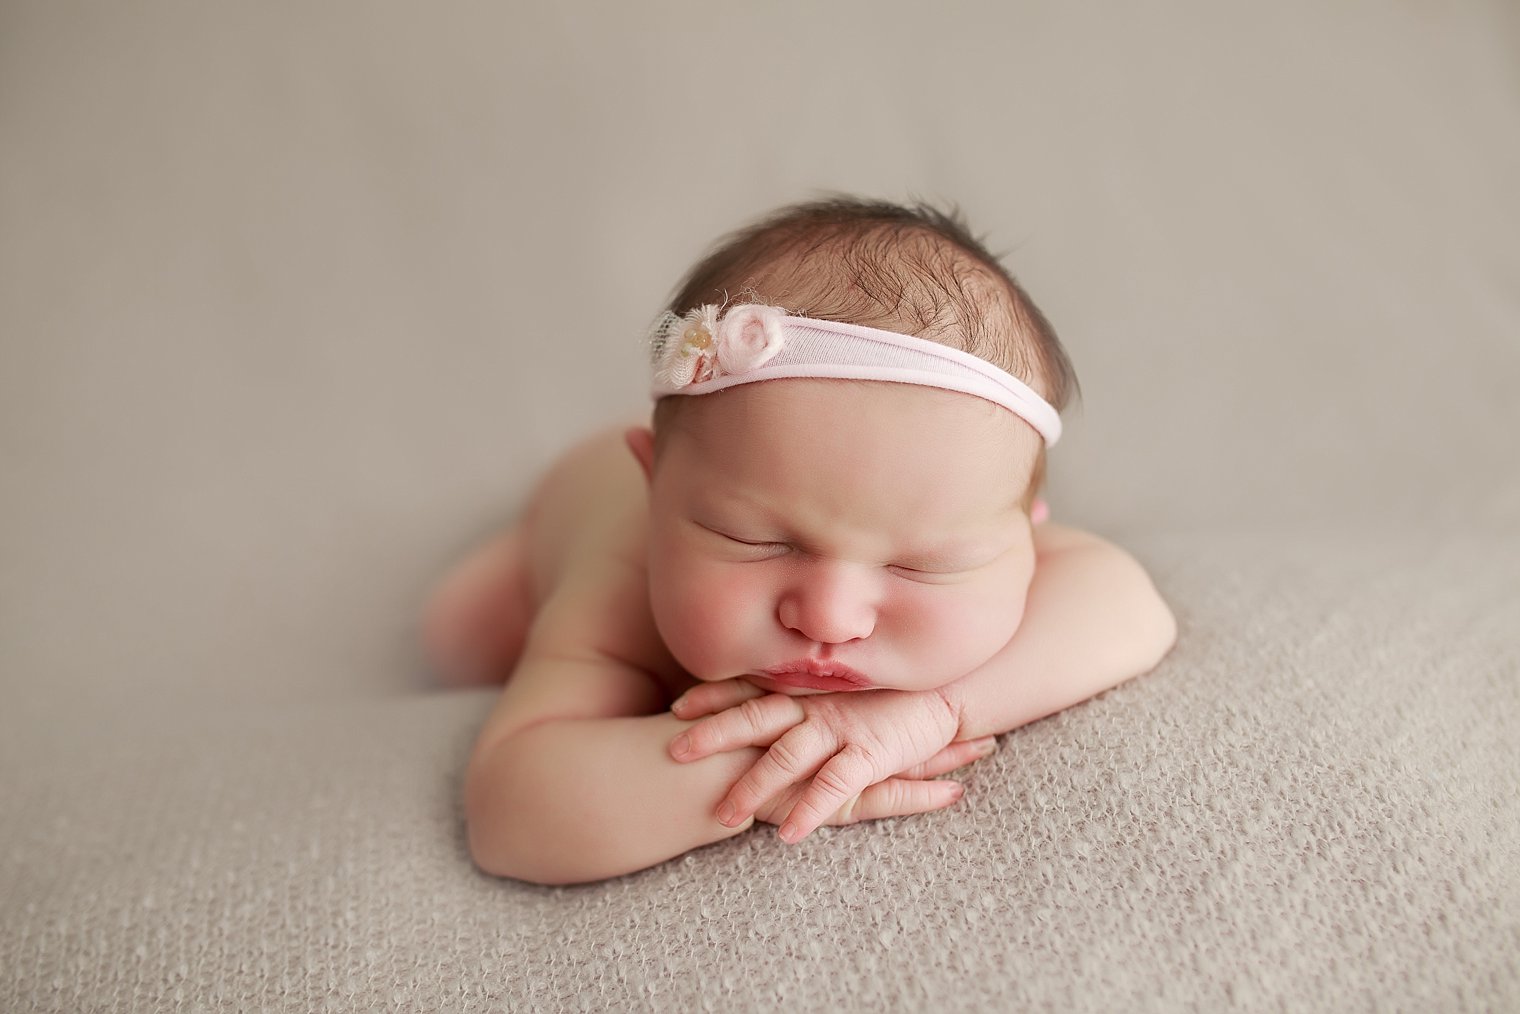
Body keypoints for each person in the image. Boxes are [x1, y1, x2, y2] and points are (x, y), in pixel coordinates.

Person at [423, 196, 1177, 885]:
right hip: (558, 518)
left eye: (922, 565)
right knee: (460, 635)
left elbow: (1131, 606)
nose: (829, 618)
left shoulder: (962, 509)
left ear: (1024, 535)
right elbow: (512, 814)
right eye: (754, 540)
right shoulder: (622, 586)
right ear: (655, 496)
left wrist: (934, 710)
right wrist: (771, 768)